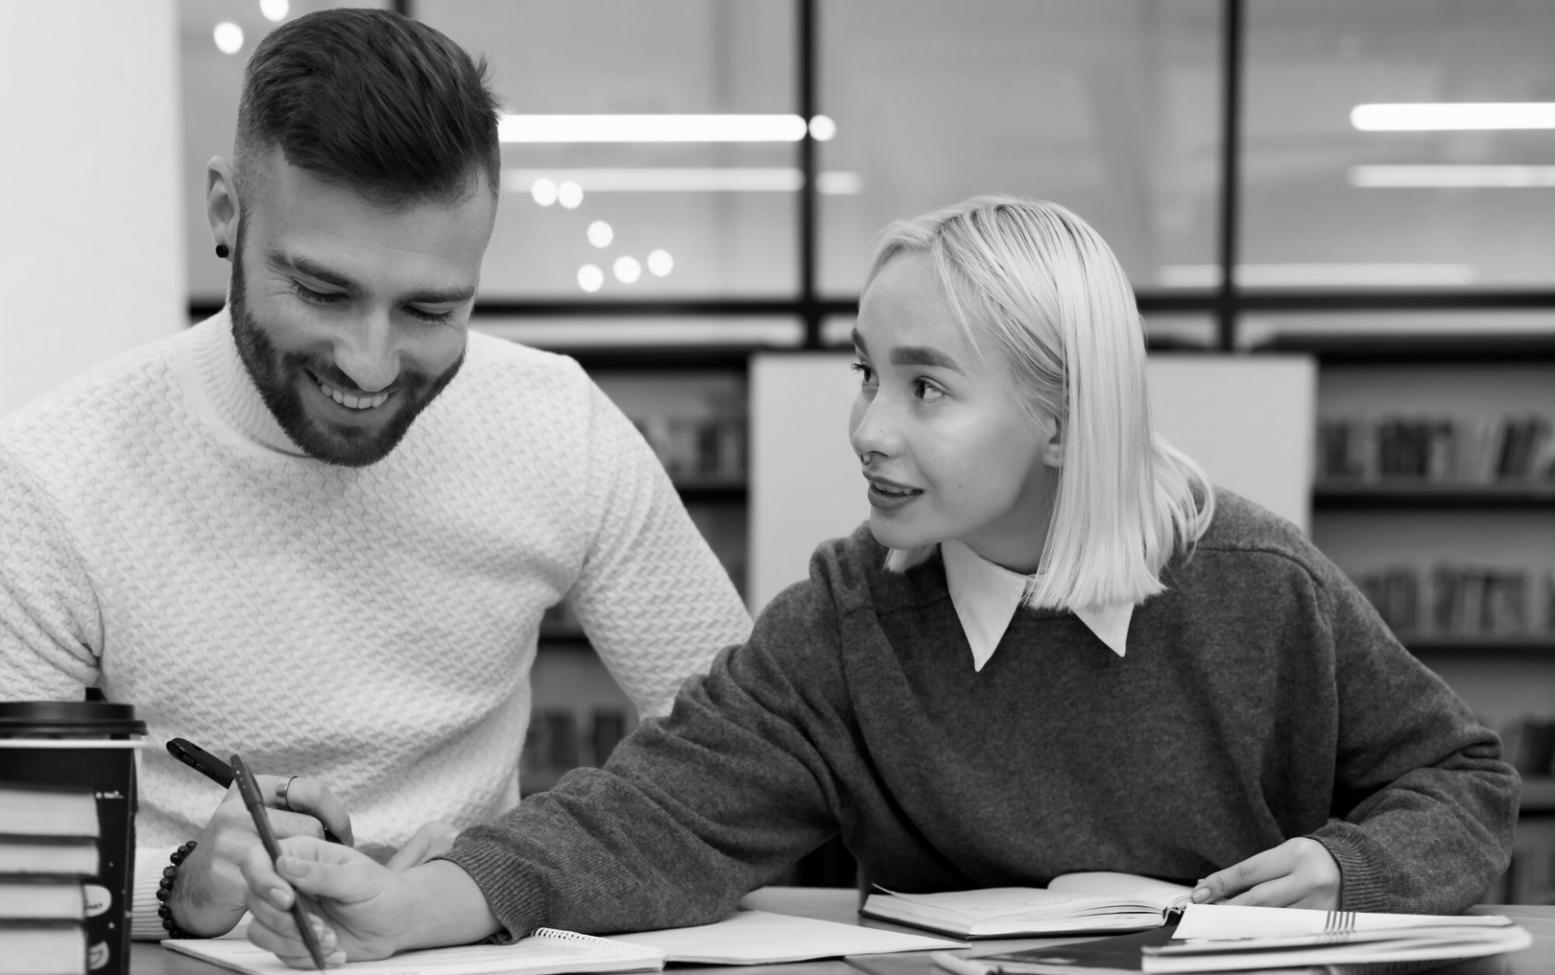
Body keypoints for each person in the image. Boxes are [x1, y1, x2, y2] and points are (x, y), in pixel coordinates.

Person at [236, 196, 1518, 968]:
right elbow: (650, 817)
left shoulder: (1254, 585)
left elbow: (1460, 782)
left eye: (925, 387)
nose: (867, 426)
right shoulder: (848, 620)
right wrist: (409, 903)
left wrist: (1352, 870)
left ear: (1065, 417)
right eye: (864, 372)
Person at [0, 8, 750, 944]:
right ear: (227, 210)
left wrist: (483, 882)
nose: (369, 364)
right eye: (322, 292)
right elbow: (17, 868)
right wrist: (183, 886)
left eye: (431, 309)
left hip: (479, 947)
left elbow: (741, 766)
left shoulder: (554, 422)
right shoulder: (52, 478)